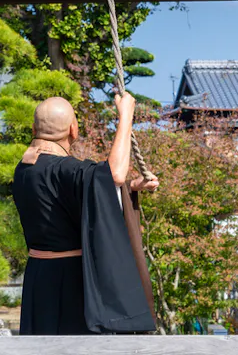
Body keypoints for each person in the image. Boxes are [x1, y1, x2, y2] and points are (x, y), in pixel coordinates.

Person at [12, 92, 159, 335]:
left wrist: (130, 187)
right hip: (72, 279)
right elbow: (113, 175)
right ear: (73, 129)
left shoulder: (25, 168)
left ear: (33, 128)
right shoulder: (64, 168)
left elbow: (73, 191)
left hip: (38, 275)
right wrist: (126, 116)